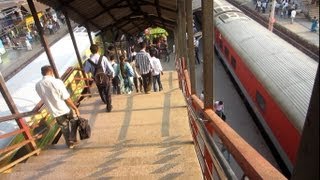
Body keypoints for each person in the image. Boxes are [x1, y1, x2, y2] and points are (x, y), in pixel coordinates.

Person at [35, 65, 80, 149]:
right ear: (51, 72)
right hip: (65, 108)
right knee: (75, 121)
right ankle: (74, 138)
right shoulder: (57, 82)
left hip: (54, 111)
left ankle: (70, 144)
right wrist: (75, 108)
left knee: (64, 127)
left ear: (42, 73)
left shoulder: (37, 85)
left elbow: (43, 97)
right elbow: (66, 98)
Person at [83, 44, 114, 112]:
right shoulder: (103, 58)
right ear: (98, 50)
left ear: (91, 51)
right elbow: (110, 69)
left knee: (101, 90)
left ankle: (104, 101)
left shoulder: (89, 61)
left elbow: (86, 71)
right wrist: (112, 75)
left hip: (97, 79)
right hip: (105, 77)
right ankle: (109, 106)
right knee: (108, 92)